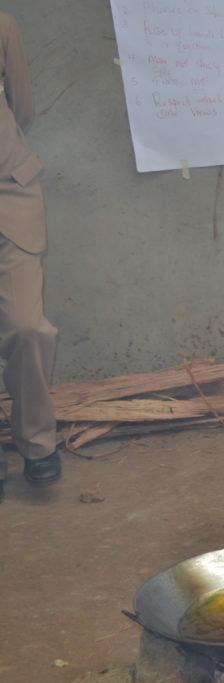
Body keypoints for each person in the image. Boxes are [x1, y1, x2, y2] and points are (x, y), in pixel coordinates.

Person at [0, 11, 59, 503]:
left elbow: (21, 109)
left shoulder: (3, 25)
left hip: (8, 193)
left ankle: (37, 443)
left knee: (27, 326)